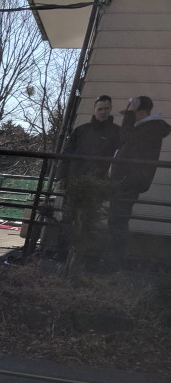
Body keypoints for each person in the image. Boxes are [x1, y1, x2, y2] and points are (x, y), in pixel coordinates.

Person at [107, 96, 171, 268]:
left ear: (141, 111)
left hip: (128, 182)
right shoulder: (146, 129)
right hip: (125, 181)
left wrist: (129, 114)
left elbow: (126, 138)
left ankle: (113, 264)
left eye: (131, 113)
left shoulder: (150, 129)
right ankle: (111, 262)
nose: (128, 117)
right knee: (115, 220)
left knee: (118, 221)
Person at [55, 95, 120, 262]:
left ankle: (83, 257)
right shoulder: (81, 130)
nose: (103, 112)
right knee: (68, 217)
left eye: (106, 108)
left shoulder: (116, 133)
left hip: (96, 185)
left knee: (90, 219)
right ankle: (61, 254)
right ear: (94, 110)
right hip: (74, 181)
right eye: (100, 109)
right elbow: (67, 154)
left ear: (110, 109)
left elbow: (120, 155)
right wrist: (61, 176)